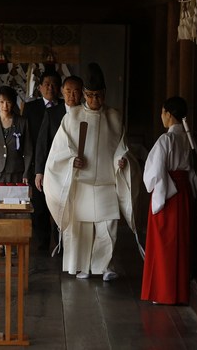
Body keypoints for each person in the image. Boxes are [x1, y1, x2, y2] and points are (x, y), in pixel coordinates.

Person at [43, 63, 138, 280]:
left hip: (106, 182)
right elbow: (59, 151)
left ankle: (105, 266)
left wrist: (120, 161)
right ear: (85, 94)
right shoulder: (72, 117)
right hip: (83, 183)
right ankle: (83, 266)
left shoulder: (115, 117)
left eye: (99, 95)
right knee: (81, 229)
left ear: (105, 94)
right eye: (91, 95)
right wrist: (70, 161)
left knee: (108, 227)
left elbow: (121, 147)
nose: (95, 100)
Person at [140, 96, 194, 305]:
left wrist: (158, 194)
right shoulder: (188, 138)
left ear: (169, 114)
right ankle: (179, 292)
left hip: (168, 193)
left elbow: (155, 172)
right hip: (183, 192)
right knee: (180, 242)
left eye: (162, 112)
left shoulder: (167, 139)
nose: (161, 117)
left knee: (164, 243)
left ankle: (164, 292)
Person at [34, 75, 83, 251]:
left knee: (74, 210)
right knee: (55, 207)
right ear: (62, 91)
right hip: (55, 171)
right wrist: (39, 171)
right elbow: (42, 144)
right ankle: (53, 244)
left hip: (79, 172)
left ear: (82, 93)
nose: (72, 95)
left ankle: (69, 247)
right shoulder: (52, 113)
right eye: (68, 91)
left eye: (76, 91)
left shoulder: (86, 113)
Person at [22, 70, 63, 251]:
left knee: (60, 207)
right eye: (46, 84)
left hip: (60, 165)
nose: (50, 87)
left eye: (54, 84)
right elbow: (26, 136)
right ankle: (42, 242)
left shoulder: (65, 107)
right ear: (39, 87)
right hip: (37, 164)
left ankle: (61, 243)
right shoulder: (31, 108)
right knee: (39, 207)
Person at [0, 85, 32, 187]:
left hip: (16, 172)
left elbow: (28, 151)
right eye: (2, 102)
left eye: (8, 102)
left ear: (13, 103)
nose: (5, 106)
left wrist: (26, 173)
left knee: (13, 202)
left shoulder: (23, 122)